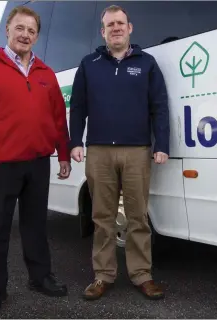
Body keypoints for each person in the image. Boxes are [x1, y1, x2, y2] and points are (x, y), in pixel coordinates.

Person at [0, 5, 71, 315]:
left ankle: (40, 278)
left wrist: (62, 154)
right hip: (1, 163)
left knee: (36, 225)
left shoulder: (46, 73)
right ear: (8, 30)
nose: (25, 35)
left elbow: (57, 120)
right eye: (20, 28)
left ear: (37, 36)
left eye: (32, 31)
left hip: (38, 161)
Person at [69, 5, 170, 301]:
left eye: (120, 23)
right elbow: (77, 107)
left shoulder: (147, 63)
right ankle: (103, 275)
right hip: (99, 151)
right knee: (102, 217)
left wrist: (161, 144)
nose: (115, 28)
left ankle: (142, 275)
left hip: (137, 151)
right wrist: (75, 141)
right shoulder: (89, 64)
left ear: (130, 28)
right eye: (109, 24)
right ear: (103, 32)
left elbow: (159, 107)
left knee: (138, 217)